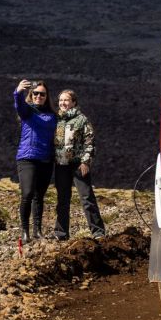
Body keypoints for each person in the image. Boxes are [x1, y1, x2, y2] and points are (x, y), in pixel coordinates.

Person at [53, 89, 106, 240]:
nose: (63, 103)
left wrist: (86, 162)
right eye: (61, 100)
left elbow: (90, 142)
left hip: (78, 165)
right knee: (62, 199)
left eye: (66, 100)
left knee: (87, 198)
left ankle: (98, 232)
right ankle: (61, 234)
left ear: (74, 102)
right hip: (61, 165)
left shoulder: (82, 120)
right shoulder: (56, 119)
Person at [13, 79, 56, 242]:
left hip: (46, 159)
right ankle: (25, 232)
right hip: (27, 158)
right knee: (28, 193)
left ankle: (37, 231)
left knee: (39, 196)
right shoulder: (27, 112)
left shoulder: (53, 116)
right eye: (36, 93)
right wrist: (18, 92)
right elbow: (18, 105)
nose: (39, 96)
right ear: (31, 95)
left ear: (46, 96)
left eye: (42, 94)